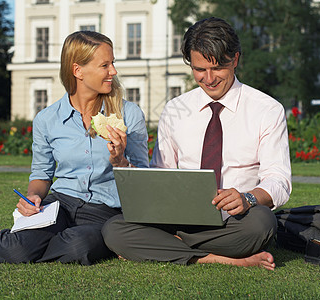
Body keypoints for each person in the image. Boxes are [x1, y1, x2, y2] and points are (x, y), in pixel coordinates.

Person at [0, 31, 149, 265]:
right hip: (60, 204)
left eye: (113, 63)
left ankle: (8, 239)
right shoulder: (47, 119)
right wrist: (33, 197)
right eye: (105, 65)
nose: (114, 71)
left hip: (105, 211)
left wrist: (120, 161)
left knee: (79, 246)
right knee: (19, 252)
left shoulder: (128, 114)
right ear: (77, 70)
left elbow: (144, 178)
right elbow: (41, 174)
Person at [102, 17, 292, 271]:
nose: (209, 78)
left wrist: (247, 198)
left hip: (235, 221)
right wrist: (122, 163)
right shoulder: (175, 109)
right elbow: (161, 173)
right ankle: (219, 257)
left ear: (235, 60)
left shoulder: (266, 110)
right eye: (199, 70)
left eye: (217, 68)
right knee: (113, 229)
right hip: (179, 220)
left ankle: (168, 246)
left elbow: (278, 180)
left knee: (263, 223)